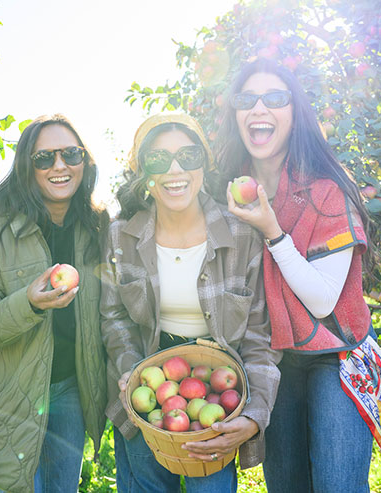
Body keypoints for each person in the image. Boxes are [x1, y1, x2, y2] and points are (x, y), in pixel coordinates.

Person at [215, 58, 381, 493]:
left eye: (275, 98)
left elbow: (321, 301)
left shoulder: (325, 191)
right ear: (236, 114)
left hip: (334, 356)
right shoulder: (227, 193)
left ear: (295, 113)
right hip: (272, 359)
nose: (259, 108)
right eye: (247, 99)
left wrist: (271, 231)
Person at [100, 113, 282, 492]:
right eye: (158, 159)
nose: (175, 168)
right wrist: (129, 373)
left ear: (205, 162)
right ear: (141, 171)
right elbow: (113, 317)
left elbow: (259, 337)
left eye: (188, 155)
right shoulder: (121, 235)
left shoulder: (241, 235)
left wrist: (252, 415)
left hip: (215, 399)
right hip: (143, 394)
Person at [0, 114, 107, 493]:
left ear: (84, 161)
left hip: (71, 390)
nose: (59, 166)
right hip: (12, 397)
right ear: (27, 167)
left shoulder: (97, 230)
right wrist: (29, 303)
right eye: (44, 158)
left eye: (71, 154)